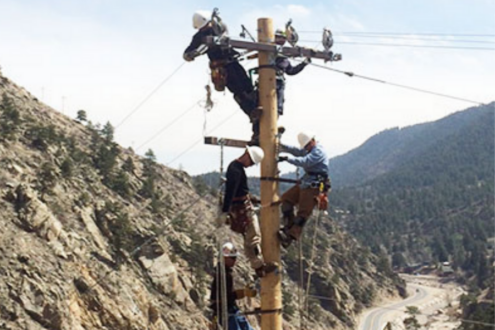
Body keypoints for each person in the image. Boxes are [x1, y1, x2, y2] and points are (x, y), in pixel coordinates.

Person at [183, 10, 261, 142]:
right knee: (239, 92)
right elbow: (186, 54)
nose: (204, 29)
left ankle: (256, 117)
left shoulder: (219, 27)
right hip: (221, 68)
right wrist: (192, 54)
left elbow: (224, 39)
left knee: (248, 87)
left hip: (232, 61)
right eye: (201, 28)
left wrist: (204, 47)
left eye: (205, 25)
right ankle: (252, 113)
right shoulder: (198, 37)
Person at [218, 146, 278, 277]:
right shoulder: (236, 170)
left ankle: (258, 266)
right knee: (253, 238)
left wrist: (253, 199)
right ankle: (259, 266)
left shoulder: (235, 167)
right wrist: (225, 211)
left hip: (241, 207)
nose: (250, 165)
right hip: (242, 209)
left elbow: (239, 190)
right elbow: (230, 192)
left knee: (251, 238)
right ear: (247, 155)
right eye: (251, 162)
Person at [277, 131, 330, 248]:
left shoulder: (318, 151)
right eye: (305, 147)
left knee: (303, 214)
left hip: (314, 185)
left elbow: (305, 161)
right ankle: (288, 227)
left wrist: (287, 159)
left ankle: (290, 236)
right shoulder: (310, 149)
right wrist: (283, 146)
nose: (306, 149)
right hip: (306, 181)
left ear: (312, 141)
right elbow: (298, 151)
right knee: (286, 200)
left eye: (307, 146)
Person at [209, 242, 257, 330]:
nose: (235, 260)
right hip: (225, 313)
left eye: (235, 257)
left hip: (232, 310)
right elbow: (224, 297)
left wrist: (243, 292)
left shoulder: (226, 273)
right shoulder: (221, 275)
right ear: (224, 257)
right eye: (233, 257)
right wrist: (243, 292)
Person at [273, 29, 310, 115]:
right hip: (268, 80)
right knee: (265, 101)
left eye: (283, 38)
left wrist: (303, 63)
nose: (281, 40)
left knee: (279, 104)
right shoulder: (269, 48)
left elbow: (291, 71)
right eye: (278, 37)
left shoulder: (285, 59)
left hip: (279, 81)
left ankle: (275, 120)